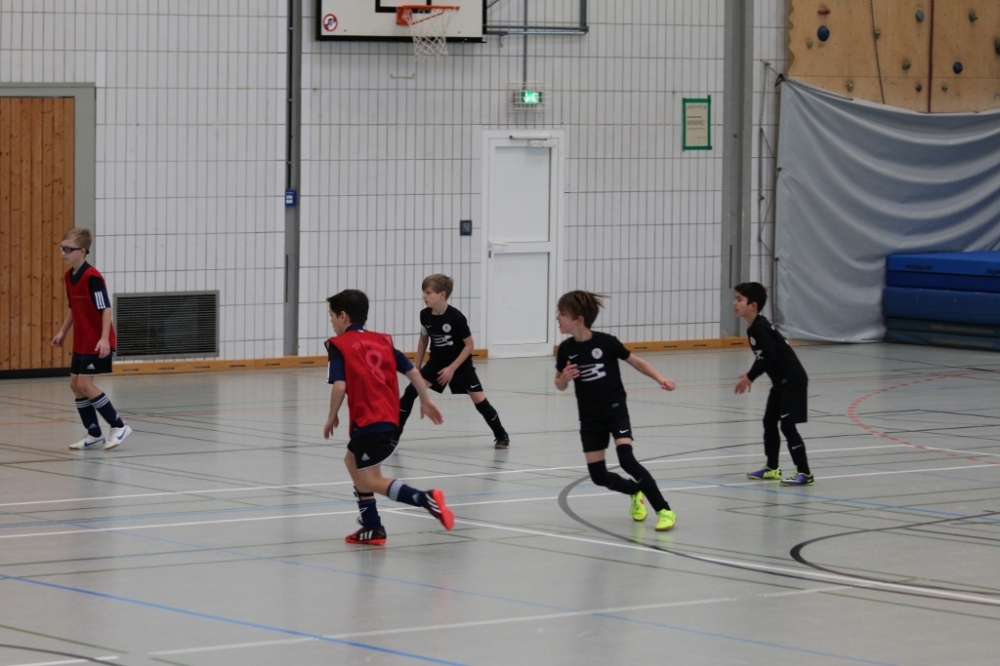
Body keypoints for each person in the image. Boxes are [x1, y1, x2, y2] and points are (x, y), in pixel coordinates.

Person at [323, 289, 455, 545]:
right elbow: (413, 372)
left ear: (343, 316)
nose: (331, 321)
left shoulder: (339, 345)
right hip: (388, 417)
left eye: (331, 316)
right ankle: (372, 526)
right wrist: (425, 400)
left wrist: (331, 416)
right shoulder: (382, 341)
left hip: (369, 421)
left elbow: (339, 386)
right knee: (352, 460)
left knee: (371, 479)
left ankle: (425, 499)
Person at [554, 291, 678, 531]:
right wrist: (564, 379)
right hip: (590, 420)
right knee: (598, 476)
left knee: (627, 460)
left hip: (615, 411)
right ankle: (634, 491)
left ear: (579, 320)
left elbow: (636, 362)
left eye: (562, 314)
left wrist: (660, 379)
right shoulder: (566, 349)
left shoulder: (606, 342)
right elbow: (558, 383)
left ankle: (664, 510)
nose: (558, 318)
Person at [394, 274, 510, 449]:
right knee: (410, 393)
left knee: (479, 400)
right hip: (436, 363)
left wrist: (452, 368)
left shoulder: (456, 317)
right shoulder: (425, 315)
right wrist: (416, 367)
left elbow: (469, 345)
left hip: (460, 365)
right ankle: (393, 437)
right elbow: (423, 339)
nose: (424, 296)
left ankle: (501, 435)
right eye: (424, 292)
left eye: (428, 292)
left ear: (442, 294)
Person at [51, 228, 132, 451]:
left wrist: (105, 338)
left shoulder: (92, 277)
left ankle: (119, 426)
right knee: (75, 385)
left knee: (85, 384)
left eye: (69, 249)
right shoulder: (68, 276)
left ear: (82, 251)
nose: (64, 253)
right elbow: (74, 308)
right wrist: (63, 332)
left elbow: (106, 308)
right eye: (62, 248)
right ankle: (94, 433)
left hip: (96, 340)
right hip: (81, 340)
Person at [733, 282, 814, 486]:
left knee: (787, 426)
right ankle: (772, 468)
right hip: (780, 382)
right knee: (769, 422)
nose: (734, 303)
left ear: (753, 305)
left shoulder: (760, 327)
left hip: (793, 380)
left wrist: (750, 376)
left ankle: (804, 472)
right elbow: (765, 357)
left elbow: (769, 356)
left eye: (739, 299)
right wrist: (751, 374)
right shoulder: (754, 328)